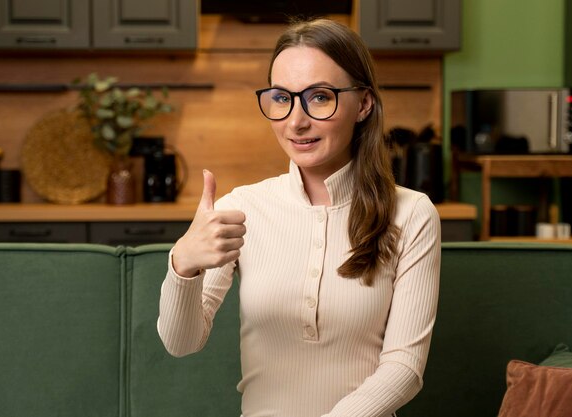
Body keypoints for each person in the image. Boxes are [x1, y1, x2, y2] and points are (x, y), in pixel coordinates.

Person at [158, 18, 441, 417]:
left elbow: (404, 368)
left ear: (363, 104)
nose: (295, 121)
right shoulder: (242, 208)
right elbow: (180, 342)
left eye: (320, 97)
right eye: (281, 98)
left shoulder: (412, 214)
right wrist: (183, 264)